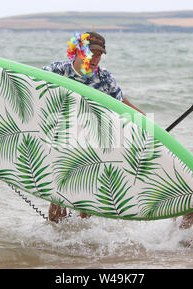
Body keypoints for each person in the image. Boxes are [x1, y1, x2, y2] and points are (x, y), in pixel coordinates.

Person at [43, 31, 144, 223]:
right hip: (62, 136)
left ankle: (83, 234)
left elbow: (122, 104)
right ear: (79, 51)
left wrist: (143, 120)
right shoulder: (58, 70)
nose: (96, 58)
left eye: (100, 54)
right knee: (58, 193)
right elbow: (31, 85)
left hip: (93, 139)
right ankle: (54, 234)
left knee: (86, 195)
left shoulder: (105, 78)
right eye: (92, 53)